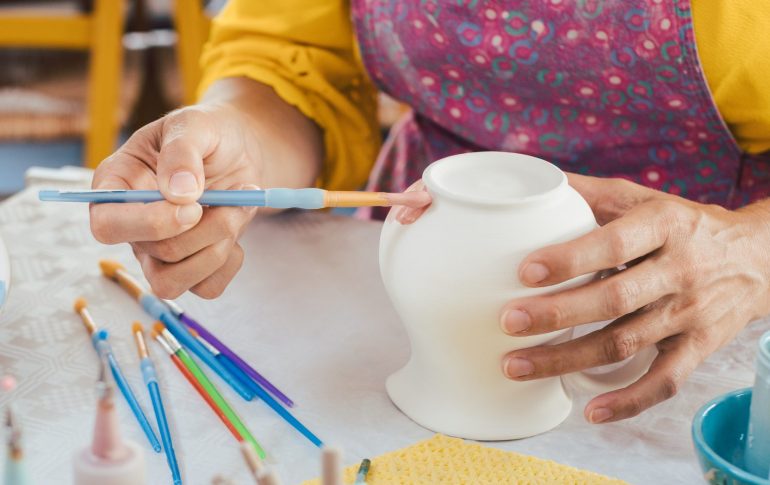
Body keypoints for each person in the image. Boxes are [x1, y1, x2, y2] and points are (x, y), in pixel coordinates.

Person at [88, 1, 770, 425]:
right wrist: (239, 141)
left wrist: (747, 251)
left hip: (716, 311)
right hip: (414, 231)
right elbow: (293, 61)